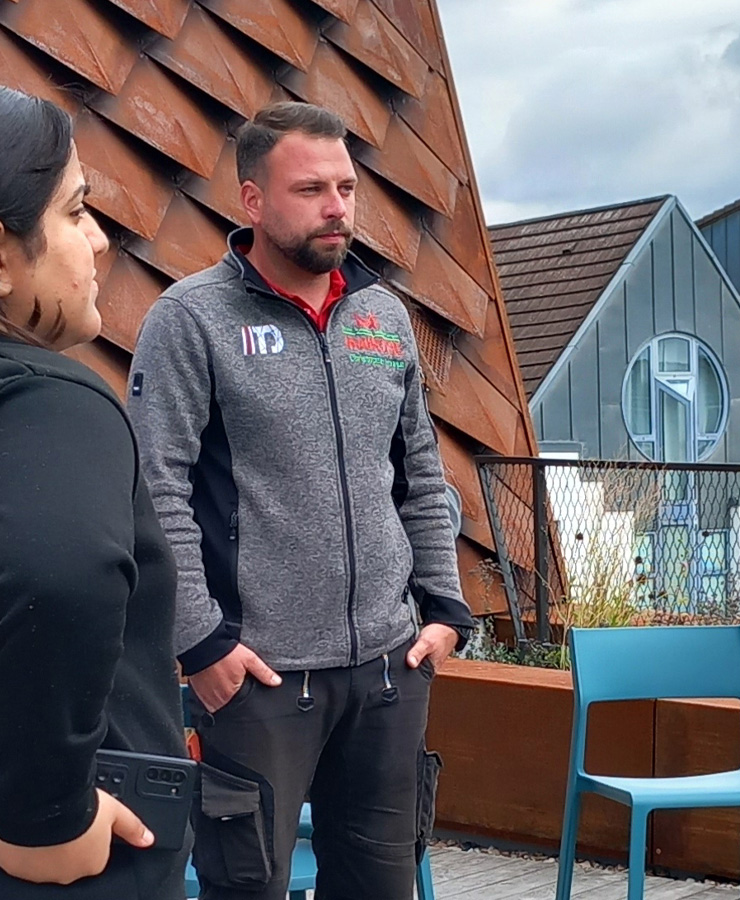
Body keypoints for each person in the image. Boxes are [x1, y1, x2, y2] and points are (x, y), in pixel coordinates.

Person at [127, 101, 474, 900]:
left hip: (388, 673)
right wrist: (202, 644)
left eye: (347, 188)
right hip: (262, 681)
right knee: (246, 887)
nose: (336, 207)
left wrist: (446, 612)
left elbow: (420, 472)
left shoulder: (382, 317)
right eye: (311, 188)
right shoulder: (192, 320)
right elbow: (155, 488)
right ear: (252, 201)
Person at [0, 86, 186, 899]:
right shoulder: (51, 400)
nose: (100, 240)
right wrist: (48, 821)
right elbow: (60, 576)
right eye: (75, 212)